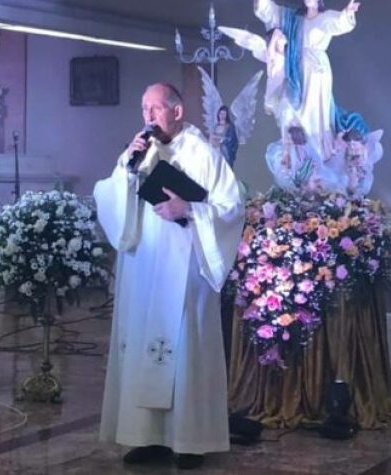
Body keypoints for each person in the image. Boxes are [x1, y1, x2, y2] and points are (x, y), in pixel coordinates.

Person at [93, 83, 244, 470]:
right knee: (143, 341)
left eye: (156, 108)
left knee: (183, 347)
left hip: (185, 268)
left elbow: (231, 207)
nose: (148, 116)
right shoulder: (139, 152)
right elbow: (110, 197)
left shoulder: (203, 153)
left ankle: (188, 440)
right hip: (143, 265)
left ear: (177, 111)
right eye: (144, 107)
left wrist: (189, 209)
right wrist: (127, 170)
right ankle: (146, 436)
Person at [254, 0, 362, 158]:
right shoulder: (292, 18)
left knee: (315, 114)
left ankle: (318, 155)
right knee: (293, 111)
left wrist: (348, 12)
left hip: (317, 72)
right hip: (295, 67)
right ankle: (298, 155)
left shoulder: (325, 17)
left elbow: (339, 22)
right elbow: (270, 11)